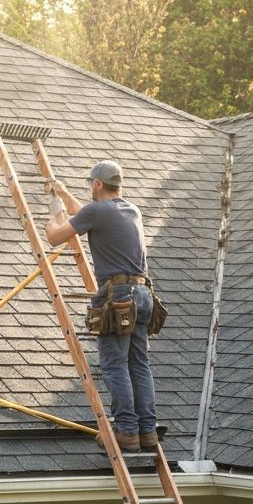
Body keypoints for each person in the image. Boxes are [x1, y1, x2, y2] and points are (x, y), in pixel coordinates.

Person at [45, 160, 158, 453]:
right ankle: (147, 431)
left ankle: (126, 431)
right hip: (143, 294)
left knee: (114, 363)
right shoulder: (130, 210)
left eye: (90, 185)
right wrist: (64, 193)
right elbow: (86, 212)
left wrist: (52, 214)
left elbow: (55, 236)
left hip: (118, 295)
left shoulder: (97, 212)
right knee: (138, 363)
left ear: (97, 184)